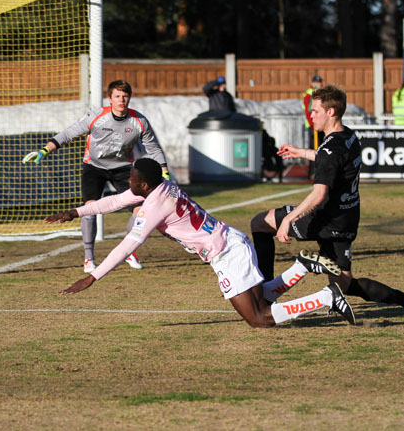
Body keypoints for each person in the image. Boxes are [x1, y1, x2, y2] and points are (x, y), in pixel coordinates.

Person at [48, 158, 356, 328]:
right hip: (231, 242)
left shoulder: (156, 204)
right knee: (261, 301)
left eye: (131, 178)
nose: (128, 182)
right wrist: (75, 211)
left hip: (226, 253)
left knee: (258, 319)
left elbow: (128, 243)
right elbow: (114, 201)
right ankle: (301, 267)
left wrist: (93, 276)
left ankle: (327, 297)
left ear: (143, 184)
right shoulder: (160, 186)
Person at [249, 85, 404, 321]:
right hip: (346, 219)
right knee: (344, 283)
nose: (310, 115)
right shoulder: (348, 136)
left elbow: (318, 195)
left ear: (331, 112)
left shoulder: (331, 150)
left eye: (315, 110)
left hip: (324, 218)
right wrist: (301, 152)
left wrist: (289, 221)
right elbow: (332, 158)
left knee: (260, 223)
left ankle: (264, 294)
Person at [24, 80, 169, 273]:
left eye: (125, 96)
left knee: (140, 210)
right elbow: (69, 133)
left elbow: (153, 148)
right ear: (110, 99)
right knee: (89, 209)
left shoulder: (139, 121)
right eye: (117, 96)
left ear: (129, 98)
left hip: (124, 169)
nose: (122, 100)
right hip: (94, 168)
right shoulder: (96, 116)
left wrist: (164, 171)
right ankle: (89, 258)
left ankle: (129, 252)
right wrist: (44, 150)